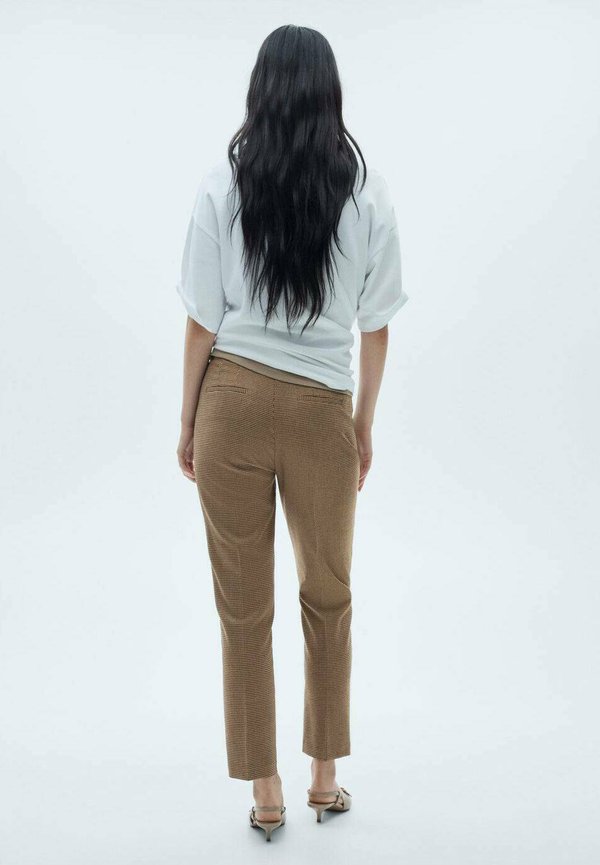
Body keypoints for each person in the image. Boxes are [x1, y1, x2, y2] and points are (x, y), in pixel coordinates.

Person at [175, 24, 408, 841]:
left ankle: (266, 789)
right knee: (328, 593)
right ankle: (324, 775)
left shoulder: (224, 184)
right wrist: (362, 425)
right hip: (321, 412)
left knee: (244, 608)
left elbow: (202, 321)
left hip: (231, 403)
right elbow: (377, 326)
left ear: (261, 92)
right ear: (329, 95)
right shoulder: (366, 193)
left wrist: (188, 419)